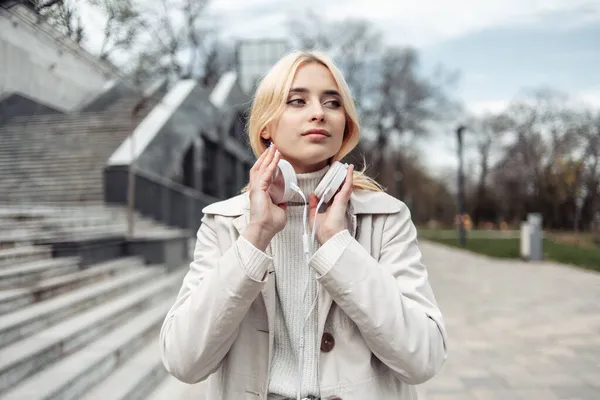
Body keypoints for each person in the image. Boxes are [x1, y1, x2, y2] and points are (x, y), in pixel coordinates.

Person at [159, 50, 448, 400]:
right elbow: (183, 361)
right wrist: (256, 237)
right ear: (265, 127)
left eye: (333, 103)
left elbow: (424, 358)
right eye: (297, 101)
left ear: (345, 126)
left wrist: (337, 244)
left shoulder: (386, 217)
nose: (318, 113)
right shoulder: (226, 223)